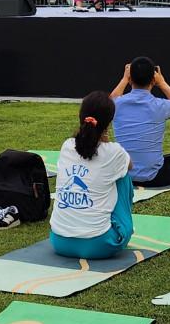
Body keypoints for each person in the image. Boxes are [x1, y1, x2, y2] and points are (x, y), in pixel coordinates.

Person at [50, 91, 134, 260]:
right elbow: (130, 166)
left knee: (115, 172)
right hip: (100, 244)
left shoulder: (67, 146)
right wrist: (105, 139)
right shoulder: (114, 152)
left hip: (59, 241)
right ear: (109, 123)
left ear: (80, 116)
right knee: (123, 175)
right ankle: (123, 226)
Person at [110, 56, 170, 186]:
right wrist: (162, 83)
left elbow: (111, 99)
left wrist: (124, 79)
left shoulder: (117, 104)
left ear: (130, 79)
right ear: (154, 79)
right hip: (156, 177)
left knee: (168, 158)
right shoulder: (159, 106)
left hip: (124, 176)